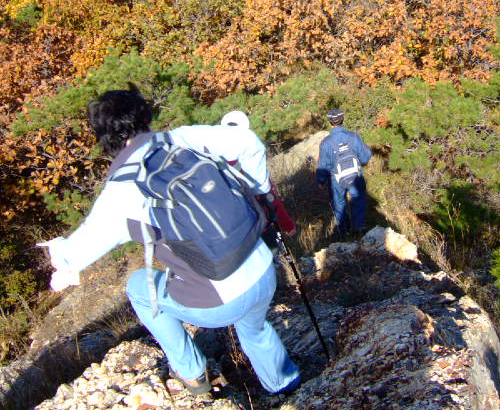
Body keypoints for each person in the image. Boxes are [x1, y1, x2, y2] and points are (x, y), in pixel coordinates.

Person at [37, 87, 301, 397]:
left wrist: (58, 258)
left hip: (220, 302)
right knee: (254, 326)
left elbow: (76, 253)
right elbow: (249, 143)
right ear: (143, 115)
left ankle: (193, 373)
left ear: (105, 137)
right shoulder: (182, 138)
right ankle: (284, 381)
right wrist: (258, 189)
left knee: (139, 287)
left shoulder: (122, 187)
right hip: (263, 269)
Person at [220, 110, 297, 242]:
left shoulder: (215, 160)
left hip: (234, 234)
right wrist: (287, 225)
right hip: (261, 225)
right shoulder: (250, 160)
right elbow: (269, 197)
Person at [316, 108, 372, 237]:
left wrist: (321, 181)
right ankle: (359, 229)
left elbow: (323, 165)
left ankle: (344, 231)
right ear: (343, 119)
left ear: (330, 123)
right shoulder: (354, 137)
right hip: (355, 175)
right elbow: (365, 157)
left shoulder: (325, 143)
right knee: (358, 199)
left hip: (336, 178)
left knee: (338, 204)